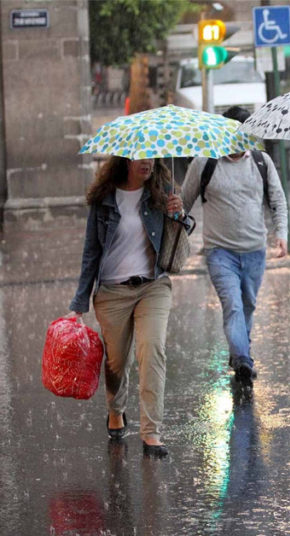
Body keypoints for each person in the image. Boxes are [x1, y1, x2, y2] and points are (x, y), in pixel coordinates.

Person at [69, 156, 183, 458]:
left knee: (152, 350)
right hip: (112, 292)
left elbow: (177, 243)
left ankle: (151, 433)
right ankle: (116, 409)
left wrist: (177, 215)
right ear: (125, 161)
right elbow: (91, 252)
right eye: (140, 159)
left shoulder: (161, 191)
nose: (147, 163)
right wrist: (79, 304)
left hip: (153, 286)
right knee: (116, 362)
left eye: (151, 158)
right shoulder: (104, 198)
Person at [180, 106, 288, 388]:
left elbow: (277, 199)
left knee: (248, 305)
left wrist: (282, 235)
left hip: (255, 250)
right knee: (233, 306)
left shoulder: (262, 162)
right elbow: (184, 201)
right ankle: (242, 359)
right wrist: (174, 217)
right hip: (219, 252)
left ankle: (240, 351)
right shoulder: (205, 163)